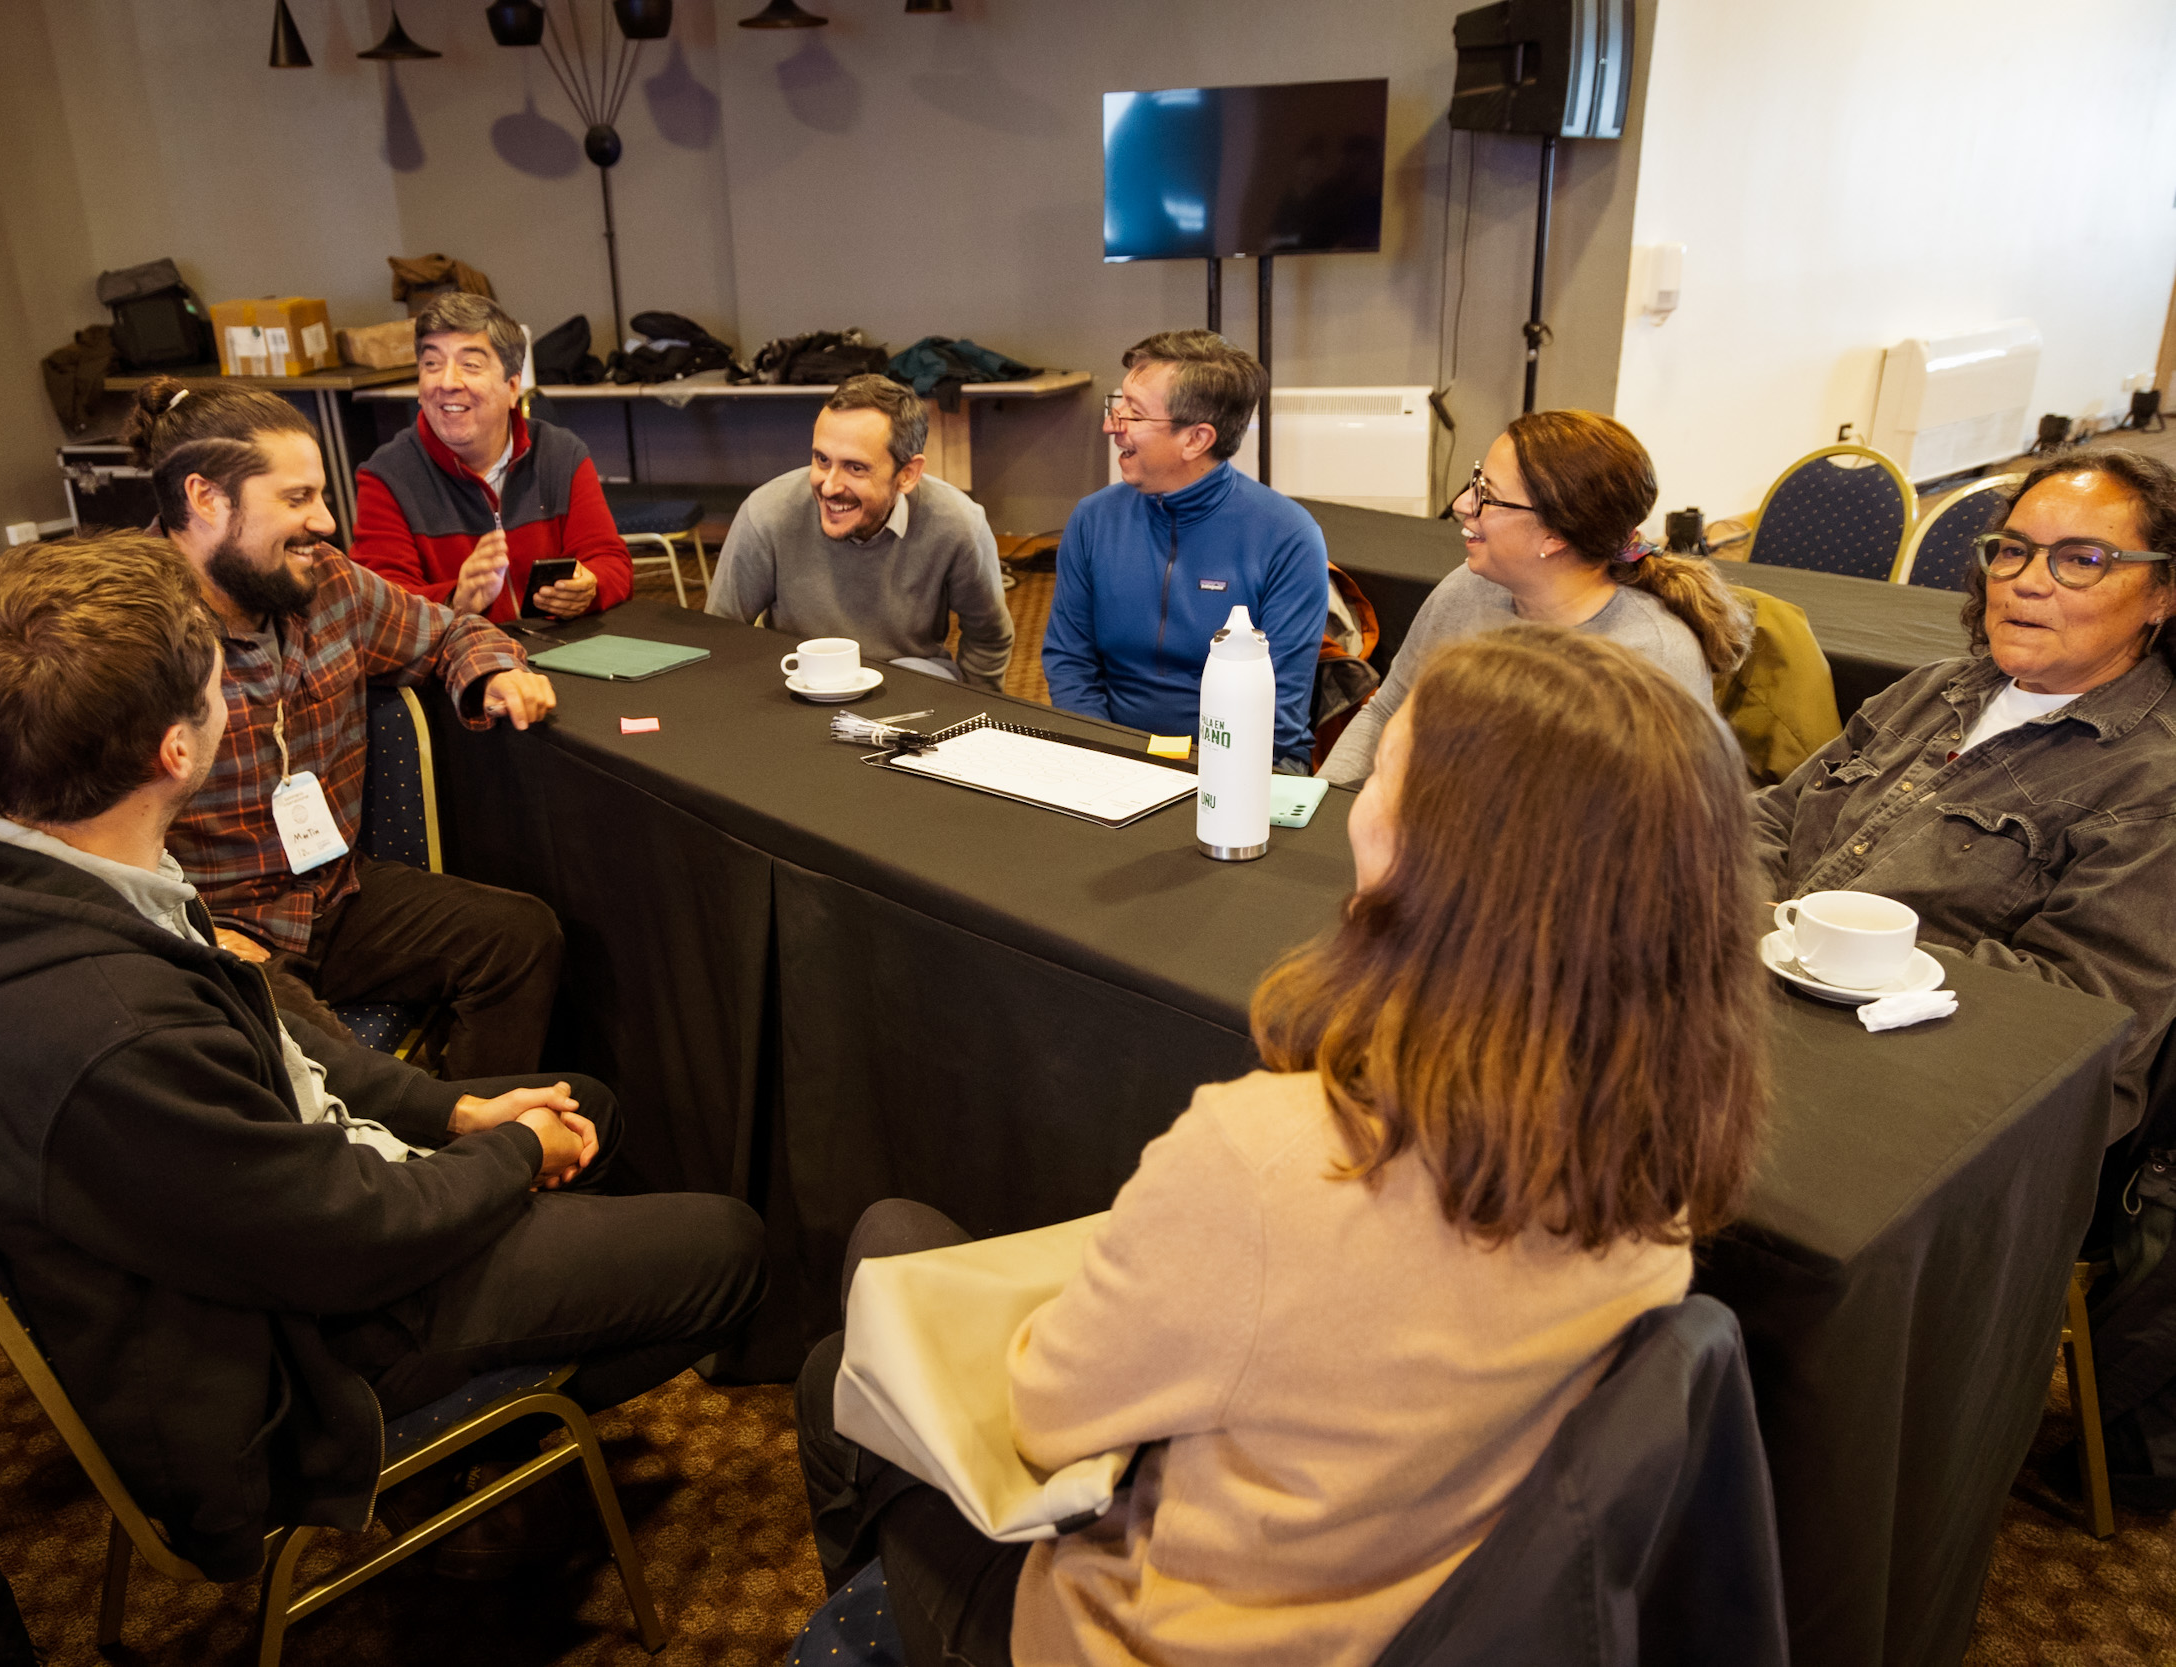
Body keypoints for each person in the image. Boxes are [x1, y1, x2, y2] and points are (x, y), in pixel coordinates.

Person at [798, 627, 1769, 1666]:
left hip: (1158, 1637)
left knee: (851, 1332)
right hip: (1386, 1608)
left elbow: (1044, 1412)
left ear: (1430, 856)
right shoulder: (1655, 1167)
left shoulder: (1275, 1157)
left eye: (1381, 772)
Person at [0, 535, 765, 1581]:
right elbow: (344, 1234)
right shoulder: (114, 1029)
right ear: (176, 750)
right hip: (298, 1351)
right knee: (729, 1248)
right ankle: (459, 1444)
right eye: (217, 686)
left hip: (264, 1220)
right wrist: (512, 1155)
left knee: (587, 1105)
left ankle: (497, 1386)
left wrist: (454, 1117)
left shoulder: (0, 868)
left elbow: (271, 1047)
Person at [0, 375, 565, 1078]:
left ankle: (487, 1131)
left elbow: (450, 630)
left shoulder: (325, 581)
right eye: (297, 499)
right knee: (332, 1071)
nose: (326, 522)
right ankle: (436, 1141)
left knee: (519, 938)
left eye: (322, 496)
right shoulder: (110, 630)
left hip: (329, 892)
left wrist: (492, 673)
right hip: (205, 931)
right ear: (206, 498)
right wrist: (172, 931)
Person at [1755, 449, 2176, 1143]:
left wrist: (1828, 953)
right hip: (1768, 1005)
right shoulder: (1933, 689)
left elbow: (2088, 1017)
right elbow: (1770, 818)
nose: (2026, 583)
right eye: (2013, 551)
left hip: (1937, 1092)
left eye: (2081, 560)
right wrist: (1749, 919)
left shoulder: (2154, 780)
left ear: (2163, 593)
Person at [1320, 409, 1750, 787]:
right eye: (1476, 481)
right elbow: (1388, 713)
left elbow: (1646, 832)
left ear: (1555, 535)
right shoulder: (1468, 589)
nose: (1463, 503)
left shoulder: (1652, 659)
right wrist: (1320, 800)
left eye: (1488, 495)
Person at [1040, 331, 1328, 768]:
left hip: (1244, 764)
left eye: (1134, 414)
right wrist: (1105, 758)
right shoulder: (1093, 519)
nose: (1111, 425)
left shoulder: (1288, 538)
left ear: (1196, 439)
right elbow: (1069, 663)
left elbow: (1276, 715)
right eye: (1118, 405)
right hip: (1109, 752)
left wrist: (1182, 775)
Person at [706, 374, 1014, 689]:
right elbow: (720, 633)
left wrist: (980, 710)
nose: (829, 487)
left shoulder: (958, 524)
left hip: (910, 682)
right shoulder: (766, 513)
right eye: (822, 460)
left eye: (855, 468)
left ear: (907, 474)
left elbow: (988, 637)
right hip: (801, 683)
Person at [352, 290, 632, 621]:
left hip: (559, 645)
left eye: (470, 365)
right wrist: (453, 601)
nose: (447, 382)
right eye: (431, 364)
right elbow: (379, 608)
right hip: (462, 650)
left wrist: (589, 587)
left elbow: (611, 561)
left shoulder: (560, 454)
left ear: (512, 387)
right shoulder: (387, 477)